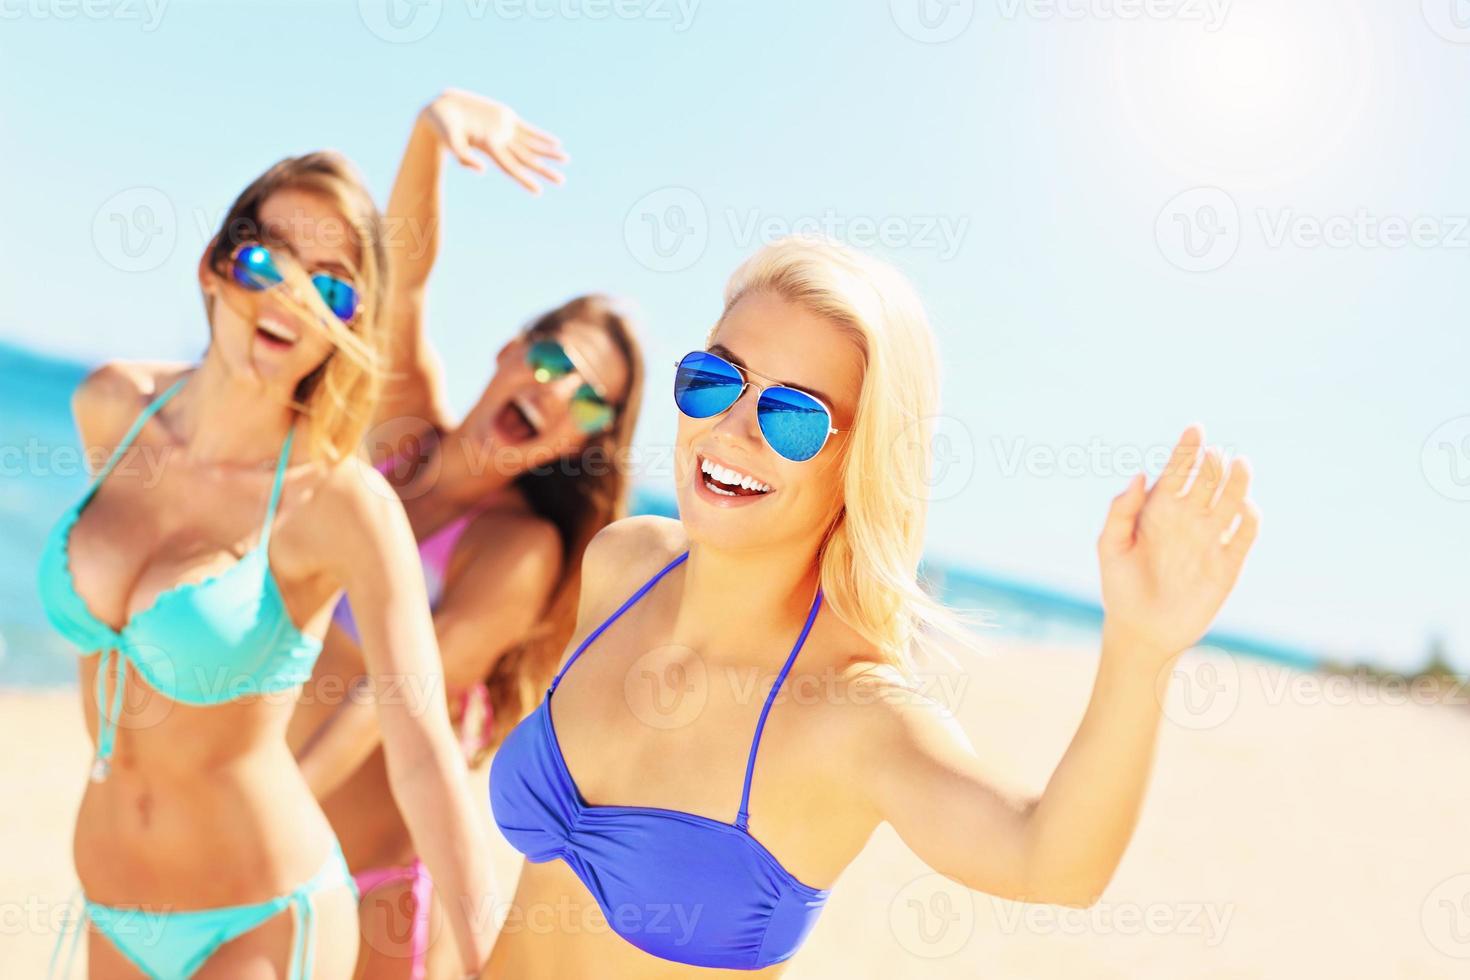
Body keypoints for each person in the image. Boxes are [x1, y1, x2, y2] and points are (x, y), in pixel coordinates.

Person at [487, 235, 1261, 977]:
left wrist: (1141, 648)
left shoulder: (853, 714)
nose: (732, 427)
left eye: (794, 416)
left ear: (862, 463)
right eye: (716, 378)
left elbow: (1049, 863)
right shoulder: (623, 565)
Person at [38, 152, 495, 979]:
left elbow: (424, 750)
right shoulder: (112, 408)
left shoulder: (341, 505)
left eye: (333, 285)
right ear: (215, 265)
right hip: (110, 906)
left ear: (349, 329)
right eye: (268, 256)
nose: (292, 292)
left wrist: (495, 963)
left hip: (256, 918)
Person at [286, 90, 643, 980]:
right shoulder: (404, 428)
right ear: (510, 351)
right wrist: (428, 134)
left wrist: (274, 800)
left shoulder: (518, 551)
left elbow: (395, 695)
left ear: (580, 441)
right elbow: (400, 284)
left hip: (375, 888)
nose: (558, 391)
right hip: (275, 833)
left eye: (587, 399)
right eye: (554, 359)